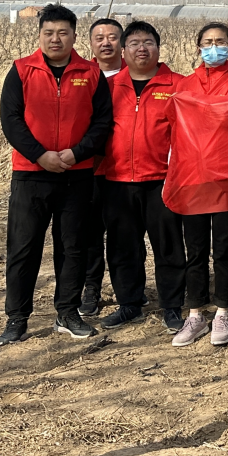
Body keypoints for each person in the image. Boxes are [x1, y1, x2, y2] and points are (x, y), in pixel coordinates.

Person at [0, 4, 113, 347]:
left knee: (72, 247)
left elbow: (102, 122)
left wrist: (77, 153)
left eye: (63, 33)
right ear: (40, 35)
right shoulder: (22, 70)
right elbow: (11, 120)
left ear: (75, 36)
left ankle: (67, 312)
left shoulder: (90, 73)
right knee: (24, 247)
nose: (55, 39)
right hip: (31, 174)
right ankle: (17, 318)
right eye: (49, 33)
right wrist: (40, 155)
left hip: (76, 175)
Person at [169, 22, 228, 349]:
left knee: (223, 245)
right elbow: (179, 128)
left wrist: (203, 116)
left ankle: (222, 311)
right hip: (192, 175)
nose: (213, 47)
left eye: (220, 42)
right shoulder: (185, 84)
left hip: (226, 175)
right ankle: (195, 313)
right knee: (195, 248)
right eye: (207, 42)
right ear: (198, 47)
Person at [96, 21, 187, 335]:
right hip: (117, 180)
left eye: (148, 42)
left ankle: (172, 306)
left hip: (162, 180)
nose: (141, 49)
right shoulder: (108, 87)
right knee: (123, 247)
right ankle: (129, 303)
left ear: (158, 48)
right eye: (134, 43)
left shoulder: (178, 85)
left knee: (168, 246)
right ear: (123, 50)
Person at [79, 16, 124, 317]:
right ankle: (91, 288)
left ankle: (128, 289)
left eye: (112, 37)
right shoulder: (83, 75)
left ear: (122, 43)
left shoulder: (136, 75)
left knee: (124, 233)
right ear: (91, 43)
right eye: (99, 38)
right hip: (89, 167)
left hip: (124, 169)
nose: (106, 43)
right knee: (90, 233)